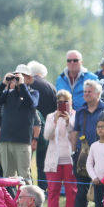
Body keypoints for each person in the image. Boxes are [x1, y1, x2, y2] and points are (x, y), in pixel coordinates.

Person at [0, 66, 40, 179]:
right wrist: (4, 84)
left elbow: (31, 103)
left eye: (21, 76)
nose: (18, 78)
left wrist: (22, 85)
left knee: (24, 175)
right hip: (6, 141)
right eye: (16, 75)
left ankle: (28, 197)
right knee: (7, 177)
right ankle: (11, 197)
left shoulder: (33, 93)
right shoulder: (8, 93)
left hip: (22, 141)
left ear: (28, 78)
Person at [73, 80, 104, 207]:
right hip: (83, 155)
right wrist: (74, 151)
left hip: (102, 155)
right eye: (85, 92)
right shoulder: (80, 111)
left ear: (98, 93)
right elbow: (75, 133)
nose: (86, 94)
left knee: (100, 191)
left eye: (89, 91)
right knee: (81, 191)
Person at [27, 61, 59, 193]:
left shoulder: (26, 84)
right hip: (46, 129)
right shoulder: (50, 87)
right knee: (42, 164)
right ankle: (42, 191)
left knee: (26, 163)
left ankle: (27, 189)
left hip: (27, 128)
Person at [43, 89, 77, 207]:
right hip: (53, 159)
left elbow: (74, 136)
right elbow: (47, 136)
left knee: (71, 191)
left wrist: (68, 122)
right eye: (60, 102)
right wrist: (55, 121)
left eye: (66, 101)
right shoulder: (51, 116)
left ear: (71, 102)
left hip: (70, 158)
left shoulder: (75, 115)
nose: (63, 104)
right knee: (52, 190)